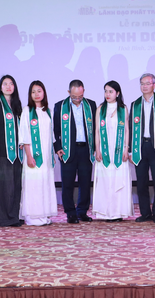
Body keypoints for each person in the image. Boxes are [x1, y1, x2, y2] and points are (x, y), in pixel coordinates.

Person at [129, 73, 155, 223]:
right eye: (142, 83)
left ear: (154, 85)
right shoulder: (135, 104)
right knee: (141, 183)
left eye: (147, 83)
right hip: (140, 147)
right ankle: (145, 213)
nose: (144, 86)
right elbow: (131, 128)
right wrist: (130, 150)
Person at [53, 79, 97, 224]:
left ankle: (82, 211)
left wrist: (96, 148)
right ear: (68, 92)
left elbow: (96, 129)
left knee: (85, 183)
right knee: (67, 184)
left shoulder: (91, 105)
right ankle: (70, 213)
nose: (77, 99)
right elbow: (55, 130)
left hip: (86, 149)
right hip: (67, 150)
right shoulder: (60, 106)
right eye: (74, 97)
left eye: (80, 96)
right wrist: (58, 148)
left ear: (83, 92)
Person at [18, 80, 58, 225]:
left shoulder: (48, 112)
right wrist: (29, 156)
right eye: (33, 92)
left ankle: (43, 213)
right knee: (33, 184)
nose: (36, 94)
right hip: (33, 155)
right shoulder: (27, 111)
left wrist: (52, 155)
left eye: (39, 91)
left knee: (45, 183)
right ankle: (32, 216)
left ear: (44, 93)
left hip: (46, 156)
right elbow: (24, 135)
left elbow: (51, 136)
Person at [92, 81, 133, 221]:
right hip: (104, 150)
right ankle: (104, 212)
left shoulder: (123, 109)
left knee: (117, 180)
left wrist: (126, 148)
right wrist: (97, 149)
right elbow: (97, 130)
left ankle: (118, 212)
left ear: (118, 93)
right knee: (104, 181)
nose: (107, 94)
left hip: (119, 150)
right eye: (106, 91)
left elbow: (126, 130)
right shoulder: (100, 109)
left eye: (111, 91)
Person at [0, 75, 24, 227]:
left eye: (11, 84)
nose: (8, 86)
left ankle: (13, 216)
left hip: (17, 153)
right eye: (5, 84)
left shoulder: (17, 104)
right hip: (2, 153)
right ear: (0, 87)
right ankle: (3, 219)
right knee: (3, 187)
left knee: (16, 186)